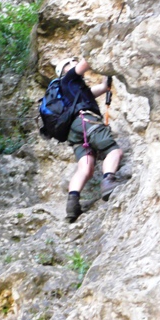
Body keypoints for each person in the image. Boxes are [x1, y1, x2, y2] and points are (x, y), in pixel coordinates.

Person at [52, 56, 123, 222]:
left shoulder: (75, 91)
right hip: (86, 122)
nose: (74, 62)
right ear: (65, 69)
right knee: (114, 151)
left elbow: (105, 87)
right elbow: (90, 58)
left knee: (86, 168)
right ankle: (108, 183)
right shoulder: (68, 78)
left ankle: (72, 205)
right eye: (70, 62)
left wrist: (108, 70)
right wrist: (102, 49)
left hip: (75, 131)